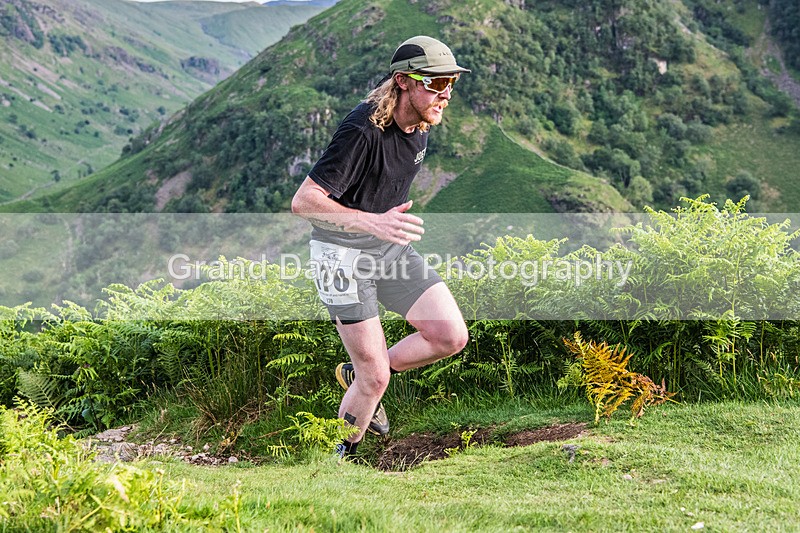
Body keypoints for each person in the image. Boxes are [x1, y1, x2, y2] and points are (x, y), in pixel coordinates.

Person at [291, 36, 470, 460]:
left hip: (389, 251)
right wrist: (374, 221)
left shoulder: (420, 125)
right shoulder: (362, 130)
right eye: (435, 83)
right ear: (403, 81)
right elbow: (304, 202)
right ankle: (338, 456)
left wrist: (382, 226)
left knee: (449, 336)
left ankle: (361, 373)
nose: (445, 94)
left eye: (451, 83)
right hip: (342, 260)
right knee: (374, 382)